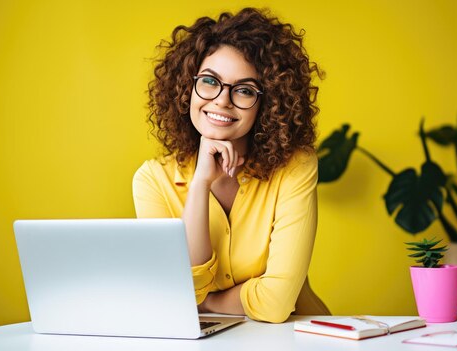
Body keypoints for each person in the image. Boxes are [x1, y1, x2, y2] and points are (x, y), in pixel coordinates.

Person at [132, 7, 329, 323]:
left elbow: (276, 303)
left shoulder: (295, 168)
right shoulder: (152, 180)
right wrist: (200, 185)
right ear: (187, 86)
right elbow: (175, 293)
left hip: (292, 340)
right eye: (210, 81)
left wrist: (205, 304)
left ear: (268, 104)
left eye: (245, 90)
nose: (222, 100)